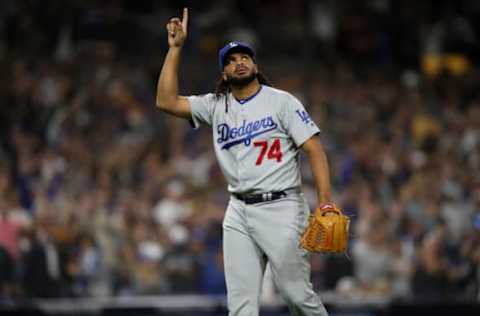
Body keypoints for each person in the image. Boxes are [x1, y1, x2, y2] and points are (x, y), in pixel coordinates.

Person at [156, 8, 333, 316]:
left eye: (244, 58)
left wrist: (326, 203)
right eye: (231, 60)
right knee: (240, 308)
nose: (239, 62)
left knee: (296, 295)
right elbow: (166, 101)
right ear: (224, 73)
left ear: (255, 65)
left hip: (283, 207)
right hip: (238, 210)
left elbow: (315, 150)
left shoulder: (281, 101)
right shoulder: (215, 106)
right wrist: (175, 50)